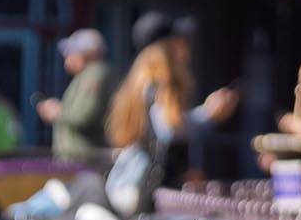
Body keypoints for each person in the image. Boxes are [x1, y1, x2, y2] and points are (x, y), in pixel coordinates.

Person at [109, 13, 238, 190]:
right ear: (167, 46)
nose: (184, 47)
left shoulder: (136, 83)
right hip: (156, 186)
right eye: (178, 40)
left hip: (141, 182)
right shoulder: (158, 82)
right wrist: (207, 113)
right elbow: (168, 130)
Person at [39, 28, 112, 161]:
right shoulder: (85, 75)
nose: (66, 55)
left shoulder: (96, 74)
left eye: (72, 51)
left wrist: (57, 111)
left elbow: (85, 116)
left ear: (89, 53)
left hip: (85, 161)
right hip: (76, 161)